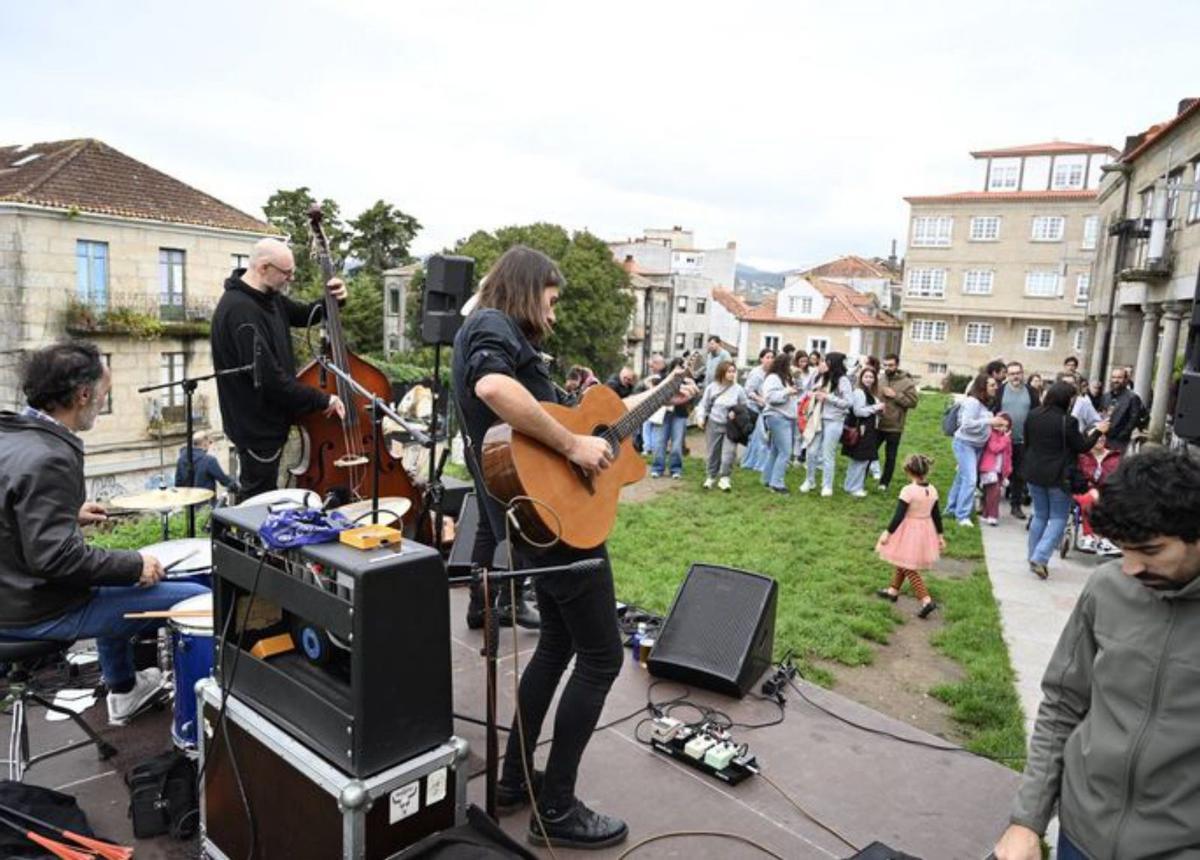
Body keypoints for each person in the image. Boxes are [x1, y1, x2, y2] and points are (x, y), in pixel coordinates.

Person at [451, 246, 696, 848]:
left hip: (542, 520)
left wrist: (661, 395)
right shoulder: (491, 323)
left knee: (558, 643)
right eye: (552, 302)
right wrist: (572, 446)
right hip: (555, 526)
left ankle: (514, 780)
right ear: (527, 288)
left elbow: (599, 429)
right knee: (602, 657)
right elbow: (493, 388)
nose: (555, 316)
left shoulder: (503, 332)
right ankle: (556, 809)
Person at [993, 448, 1200, 860]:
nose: (1130, 569)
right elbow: (1062, 704)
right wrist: (1027, 821)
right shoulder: (1106, 588)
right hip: (1080, 834)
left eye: (1150, 551)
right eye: (1122, 550)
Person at [0, 342, 206, 725]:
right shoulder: (51, 456)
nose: (102, 401)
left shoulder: (11, 434)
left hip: (11, 594)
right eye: (104, 395)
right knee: (198, 600)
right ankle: (198, 718)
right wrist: (134, 564)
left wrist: (64, 513)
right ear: (83, 395)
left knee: (120, 582)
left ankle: (124, 689)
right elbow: (56, 559)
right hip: (37, 609)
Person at [210, 238, 347, 501]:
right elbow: (271, 380)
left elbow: (306, 313)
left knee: (266, 498)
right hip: (256, 428)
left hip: (271, 423)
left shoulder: (269, 297)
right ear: (263, 267)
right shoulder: (239, 311)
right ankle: (253, 542)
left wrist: (334, 300)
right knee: (257, 502)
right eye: (286, 273)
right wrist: (323, 398)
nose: (290, 279)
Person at [1021, 381, 1107, 579]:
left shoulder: (1033, 415)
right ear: (1067, 400)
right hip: (1058, 476)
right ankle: (1040, 557)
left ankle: (1032, 556)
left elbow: (1027, 441)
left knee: (1040, 515)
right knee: (1058, 517)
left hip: (1034, 472)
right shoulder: (1068, 421)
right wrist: (1098, 431)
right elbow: (1082, 446)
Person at [874, 454, 945, 618]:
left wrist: (887, 533)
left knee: (908, 567)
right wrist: (940, 535)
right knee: (903, 560)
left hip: (909, 531)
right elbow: (936, 515)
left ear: (908, 471)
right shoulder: (932, 490)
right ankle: (893, 591)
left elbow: (898, 516)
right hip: (925, 530)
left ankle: (926, 600)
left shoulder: (908, 491)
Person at [946, 374, 1006, 527]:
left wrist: (993, 425)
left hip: (977, 446)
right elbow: (966, 424)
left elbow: (980, 422)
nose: (995, 387)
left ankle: (951, 509)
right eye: (992, 385)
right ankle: (963, 516)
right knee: (971, 480)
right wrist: (990, 421)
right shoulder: (973, 402)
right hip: (965, 444)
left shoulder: (984, 403)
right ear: (982, 387)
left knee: (962, 478)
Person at [800, 352, 854, 497]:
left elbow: (849, 403)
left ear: (833, 364)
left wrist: (828, 397)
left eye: (826, 361)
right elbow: (806, 388)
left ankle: (827, 485)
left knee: (827, 454)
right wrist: (816, 376)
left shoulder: (843, 381)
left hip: (834, 421)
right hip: (816, 418)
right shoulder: (821, 376)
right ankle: (809, 480)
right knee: (811, 451)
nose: (822, 363)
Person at [696, 360, 746, 492]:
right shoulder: (712, 387)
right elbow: (704, 405)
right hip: (714, 424)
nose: (731, 374)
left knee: (728, 453)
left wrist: (736, 413)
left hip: (731, 426)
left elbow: (744, 407)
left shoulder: (738, 389)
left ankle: (725, 478)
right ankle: (711, 476)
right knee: (713, 452)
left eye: (733, 371)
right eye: (729, 371)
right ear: (722, 372)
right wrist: (701, 418)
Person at [999, 362, 1038, 520]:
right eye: (1012, 373)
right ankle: (987, 503)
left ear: (1023, 374)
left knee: (1019, 474)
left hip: (1023, 440)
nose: (1015, 376)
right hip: (1002, 439)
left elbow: (1037, 413)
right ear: (1007, 375)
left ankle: (1016, 505)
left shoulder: (1031, 392)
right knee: (994, 471)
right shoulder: (1000, 391)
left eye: (1018, 373)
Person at [1072, 434, 1121, 555]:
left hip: (1107, 492)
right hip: (1083, 490)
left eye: (1103, 436)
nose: (1101, 438)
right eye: (1097, 435)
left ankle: (1104, 540)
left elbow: (1119, 477)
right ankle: (1089, 537)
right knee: (1089, 499)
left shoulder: (1115, 456)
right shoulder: (1081, 456)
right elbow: (1076, 477)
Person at [876, 353, 919, 491]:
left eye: (891, 365)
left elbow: (913, 403)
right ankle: (860, 478)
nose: (888, 368)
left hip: (894, 426)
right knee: (869, 453)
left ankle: (884, 483)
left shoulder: (907, 382)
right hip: (878, 423)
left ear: (897, 365)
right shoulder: (880, 379)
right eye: (885, 365)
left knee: (890, 456)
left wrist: (896, 395)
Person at [842, 366, 884, 497]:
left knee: (859, 460)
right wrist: (876, 407)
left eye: (871, 377)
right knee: (861, 459)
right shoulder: (860, 392)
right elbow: (858, 411)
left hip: (869, 429)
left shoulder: (870, 393)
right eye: (866, 376)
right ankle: (855, 487)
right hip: (862, 430)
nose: (869, 379)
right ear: (861, 378)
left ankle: (850, 485)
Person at [759, 353, 797, 494]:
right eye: (790, 364)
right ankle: (777, 483)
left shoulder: (784, 378)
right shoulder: (773, 378)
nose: (792, 367)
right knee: (785, 452)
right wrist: (787, 392)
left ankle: (767, 479)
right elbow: (770, 397)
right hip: (778, 417)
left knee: (776, 450)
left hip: (784, 417)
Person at [650, 357, 692, 480]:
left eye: (683, 367)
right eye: (679, 367)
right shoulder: (662, 378)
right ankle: (657, 468)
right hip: (663, 414)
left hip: (679, 414)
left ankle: (676, 469)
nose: (681, 369)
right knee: (659, 442)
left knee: (677, 444)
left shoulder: (687, 381)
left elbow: (691, 397)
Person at [174, 430, 239, 496]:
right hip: (206, 503)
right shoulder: (209, 460)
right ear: (205, 443)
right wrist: (236, 486)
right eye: (210, 442)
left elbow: (178, 484)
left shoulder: (181, 460)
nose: (209, 446)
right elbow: (224, 480)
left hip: (188, 503)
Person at [740, 348, 774, 472]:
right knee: (760, 436)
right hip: (754, 408)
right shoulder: (756, 373)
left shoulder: (772, 374)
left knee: (764, 436)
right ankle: (756, 462)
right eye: (767, 357)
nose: (770, 360)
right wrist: (760, 399)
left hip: (767, 408)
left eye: (772, 357)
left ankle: (761, 460)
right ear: (761, 359)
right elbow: (748, 391)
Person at [978, 413, 1013, 526]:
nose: (1003, 429)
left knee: (991, 493)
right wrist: (1005, 440)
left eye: (1006, 427)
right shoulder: (993, 435)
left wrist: (1008, 470)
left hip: (999, 470)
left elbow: (1008, 455)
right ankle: (992, 516)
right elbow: (994, 448)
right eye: (1001, 425)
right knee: (995, 492)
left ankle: (986, 514)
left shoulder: (1005, 438)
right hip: (989, 468)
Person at [1101, 366, 1144, 453]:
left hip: (1119, 441)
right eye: (1113, 377)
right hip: (1103, 438)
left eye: (1119, 377)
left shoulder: (1132, 398)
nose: (1116, 380)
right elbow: (1101, 413)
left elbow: (1134, 419)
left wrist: (1123, 435)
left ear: (1125, 380)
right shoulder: (1106, 396)